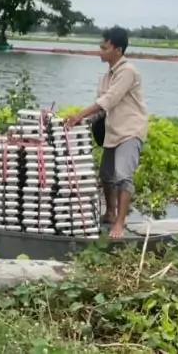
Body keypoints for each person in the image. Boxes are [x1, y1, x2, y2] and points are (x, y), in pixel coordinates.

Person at [63, 26, 148, 238]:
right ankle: (110, 213)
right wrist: (78, 123)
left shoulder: (127, 71)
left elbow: (109, 100)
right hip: (113, 132)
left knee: (122, 176)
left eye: (104, 48)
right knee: (106, 175)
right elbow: (102, 110)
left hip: (129, 131)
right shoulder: (105, 77)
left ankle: (119, 224)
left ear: (117, 50)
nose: (100, 51)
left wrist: (79, 115)